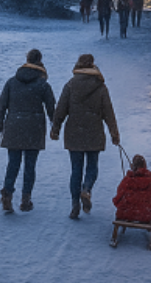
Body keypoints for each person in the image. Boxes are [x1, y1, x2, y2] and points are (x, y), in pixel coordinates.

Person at [50, 54, 121, 219]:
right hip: (94, 131)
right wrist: (114, 134)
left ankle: (75, 204)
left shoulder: (70, 85)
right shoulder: (101, 87)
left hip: (74, 132)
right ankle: (87, 189)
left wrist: (55, 128)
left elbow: (61, 109)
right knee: (92, 166)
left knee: (76, 169)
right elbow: (108, 113)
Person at [0, 48, 56, 212]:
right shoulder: (43, 84)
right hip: (34, 128)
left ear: (26, 60)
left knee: (13, 163)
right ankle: (25, 200)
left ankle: (7, 194)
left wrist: (0, 125)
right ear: (40, 61)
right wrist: (55, 126)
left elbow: (1, 105)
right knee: (30, 166)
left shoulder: (11, 82)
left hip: (14, 126)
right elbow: (51, 108)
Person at [113, 154, 151, 223]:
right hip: (146, 216)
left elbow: (117, 199)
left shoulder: (127, 180)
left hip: (125, 214)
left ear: (132, 166)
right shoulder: (148, 182)